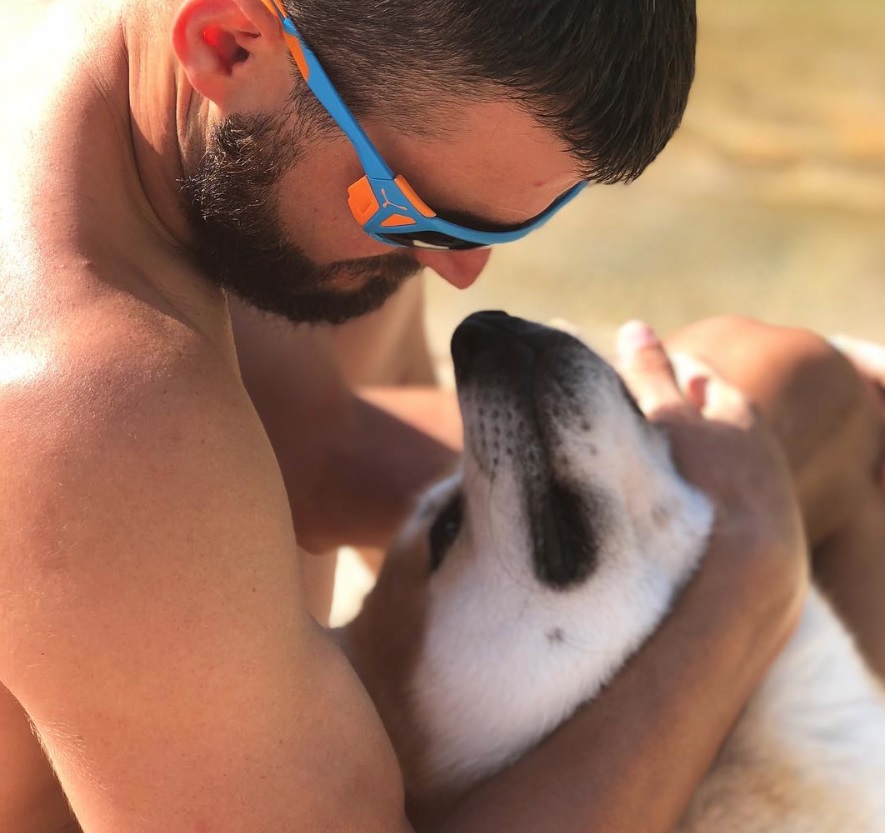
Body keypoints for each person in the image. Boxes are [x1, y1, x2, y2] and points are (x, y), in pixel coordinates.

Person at [0, 1, 881, 832]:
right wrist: (733, 596)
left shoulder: (194, 112)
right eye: (424, 215)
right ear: (228, 45)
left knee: (809, 396)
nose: (460, 276)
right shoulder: (93, 412)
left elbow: (323, 451)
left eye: (505, 228)